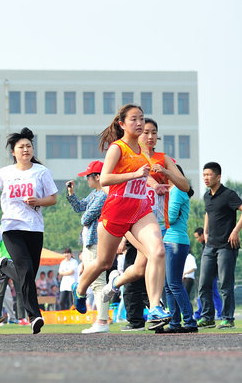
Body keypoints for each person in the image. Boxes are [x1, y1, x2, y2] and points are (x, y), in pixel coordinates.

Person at [72, 105, 186, 330]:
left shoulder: (146, 150)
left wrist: (161, 176)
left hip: (140, 210)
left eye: (141, 119)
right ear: (122, 124)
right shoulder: (118, 148)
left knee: (158, 251)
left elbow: (177, 183)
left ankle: (154, 308)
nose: (140, 124)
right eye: (134, 119)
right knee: (103, 262)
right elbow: (104, 179)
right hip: (116, 211)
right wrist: (135, 174)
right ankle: (79, 288)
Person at [0, 127, 58, 334]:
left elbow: (53, 199)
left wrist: (38, 201)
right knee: (25, 270)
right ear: (13, 152)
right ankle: (34, 316)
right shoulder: (5, 173)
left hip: (34, 228)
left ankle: (6, 266)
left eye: (28, 146)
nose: (25, 149)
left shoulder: (41, 172)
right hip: (11, 227)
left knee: (29, 274)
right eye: (21, 147)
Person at [66, 160, 109, 333]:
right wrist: (71, 194)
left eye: (89, 176)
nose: (87, 180)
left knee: (98, 282)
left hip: (97, 241)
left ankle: (102, 321)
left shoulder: (103, 194)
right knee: (96, 282)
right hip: (89, 241)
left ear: (98, 176)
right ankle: (81, 291)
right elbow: (79, 208)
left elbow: (85, 218)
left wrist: (85, 215)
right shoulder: (95, 193)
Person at [198, 161, 242, 329]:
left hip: (226, 246)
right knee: (204, 284)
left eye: (209, 175)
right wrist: (206, 232)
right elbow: (209, 212)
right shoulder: (207, 195)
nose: (206, 178)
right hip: (210, 246)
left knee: (225, 284)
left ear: (218, 176)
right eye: (204, 175)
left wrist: (235, 231)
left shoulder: (229, 194)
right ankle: (207, 317)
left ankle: (227, 318)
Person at [160, 165, 197, 333]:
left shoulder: (177, 191)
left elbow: (172, 218)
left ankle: (189, 321)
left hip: (175, 242)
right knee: (169, 285)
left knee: (174, 284)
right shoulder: (175, 191)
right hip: (172, 241)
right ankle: (175, 323)